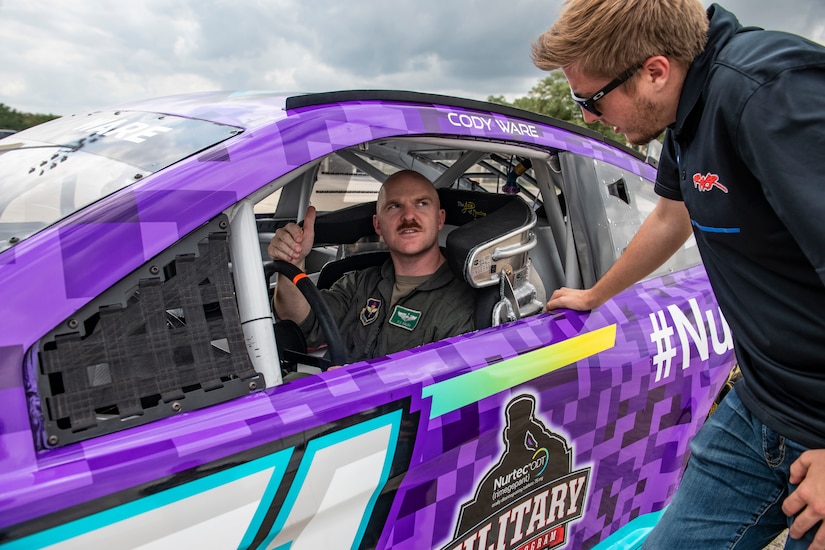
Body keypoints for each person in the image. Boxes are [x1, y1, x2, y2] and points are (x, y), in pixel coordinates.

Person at [532, 1, 825, 548]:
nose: (587, 118)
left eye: (590, 100)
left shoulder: (766, 94)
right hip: (763, 404)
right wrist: (596, 294)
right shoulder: (687, 107)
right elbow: (671, 214)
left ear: (654, 71)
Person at [267, 169, 475, 365]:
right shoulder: (359, 284)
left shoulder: (461, 303)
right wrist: (292, 263)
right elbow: (302, 323)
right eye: (394, 206)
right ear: (378, 225)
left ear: (440, 219)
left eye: (421, 204)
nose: (409, 216)